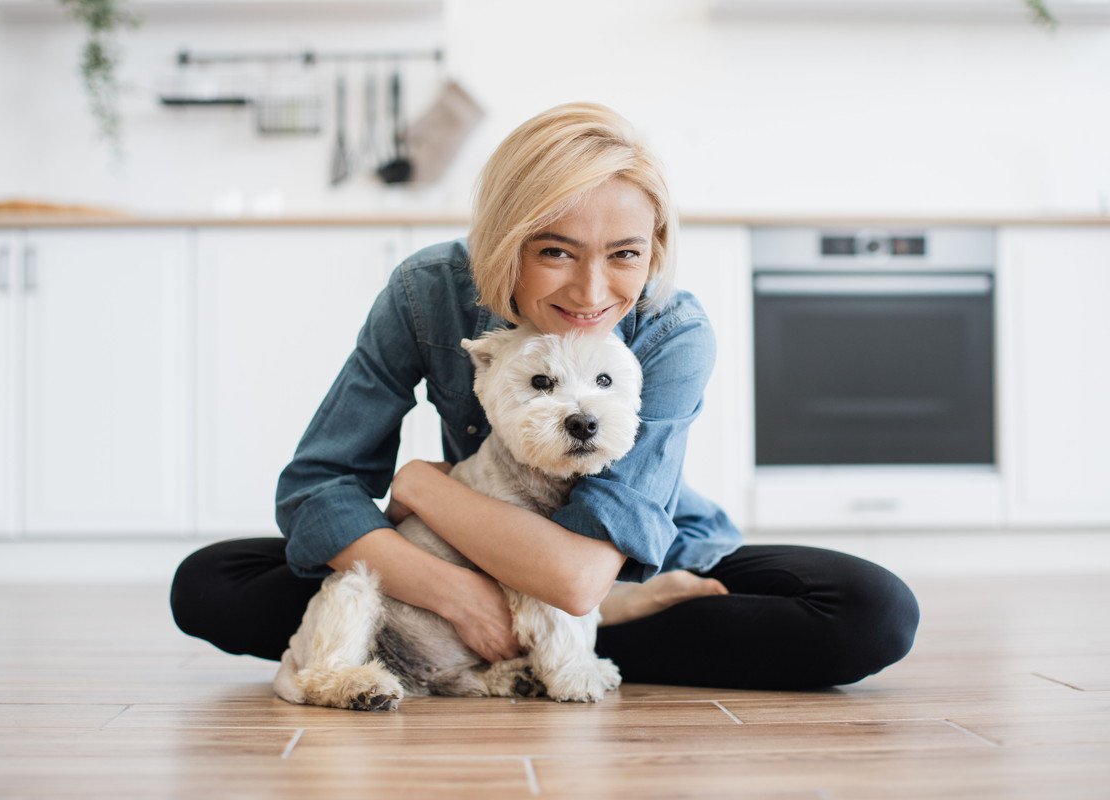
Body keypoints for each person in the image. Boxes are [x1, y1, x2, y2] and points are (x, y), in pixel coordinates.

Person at [170, 102, 919, 690]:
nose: (593, 293)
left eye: (624, 255)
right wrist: (456, 596)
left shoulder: (673, 328)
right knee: (210, 582)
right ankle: (548, 647)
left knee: (871, 612)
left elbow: (576, 575)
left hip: (620, 561)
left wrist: (420, 485)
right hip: (462, 567)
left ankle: (575, 637)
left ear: (653, 250)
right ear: (504, 240)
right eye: (556, 251)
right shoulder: (428, 292)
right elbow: (315, 488)